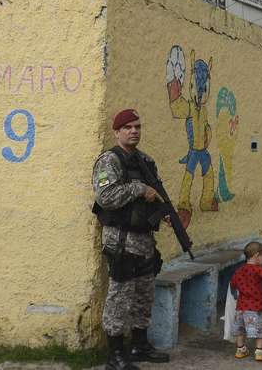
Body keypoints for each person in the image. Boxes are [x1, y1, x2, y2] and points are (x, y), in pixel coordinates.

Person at [92, 109, 170, 370]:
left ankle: (139, 345)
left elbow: (156, 194)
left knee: (143, 294)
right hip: (121, 241)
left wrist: (165, 213)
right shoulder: (109, 161)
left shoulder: (145, 161)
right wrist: (139, 188)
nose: (134, 131)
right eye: (127, 127)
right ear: (117, 132)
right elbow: (105, 197)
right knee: (119, 297)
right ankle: (114, 355)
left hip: (145, 240)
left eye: (137, 126)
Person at [229, 241, 262, 362]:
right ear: (256, 255)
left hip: (240, 308)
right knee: (259, 330)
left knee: (240, 330)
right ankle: (259, 352)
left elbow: (233, 283)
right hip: (255, 307)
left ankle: (240, 350)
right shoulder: (257, 270)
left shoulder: (240, 270)